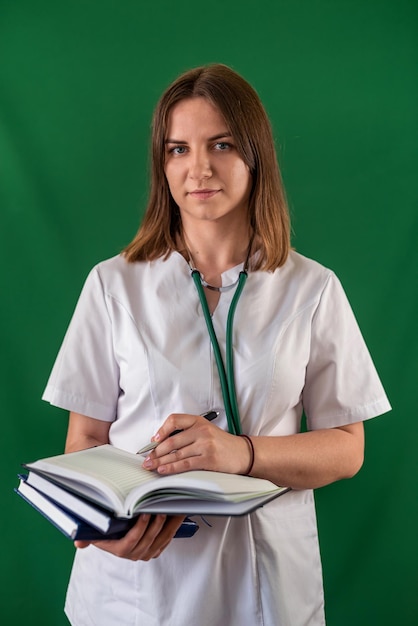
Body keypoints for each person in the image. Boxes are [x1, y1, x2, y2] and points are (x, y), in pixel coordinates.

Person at [42, 63, 391, 626]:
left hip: (266, 588)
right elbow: (84, 438)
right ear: (162, 163)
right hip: (135, 591)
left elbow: (348, 448)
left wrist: (243, 454)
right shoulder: (113, 284)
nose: (198, 167)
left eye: (221, 144)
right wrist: (101, 531)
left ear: (256, 156)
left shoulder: (312, 288)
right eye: (178, 149)